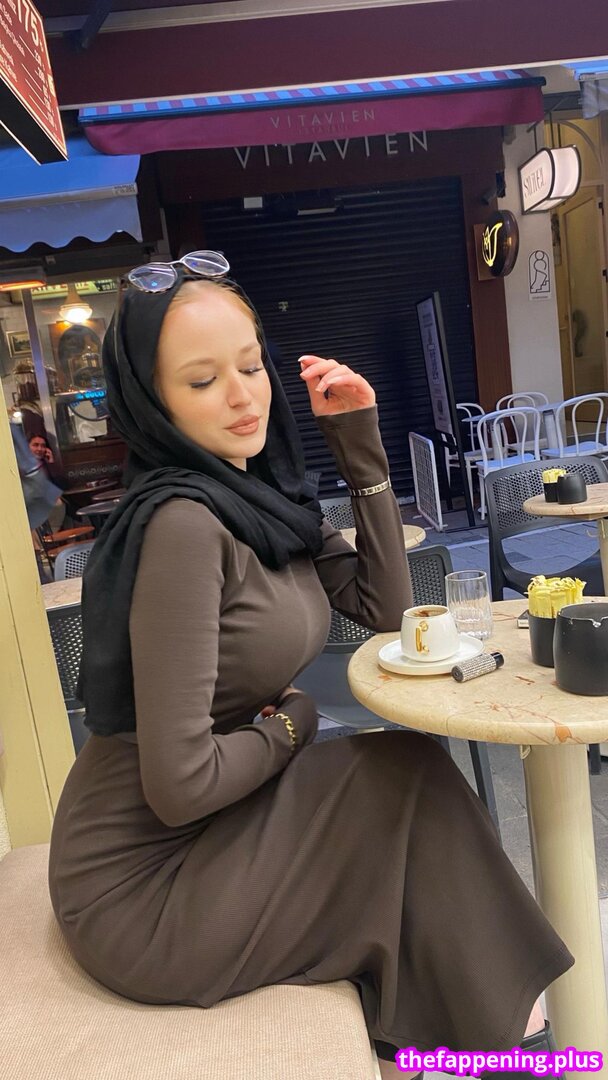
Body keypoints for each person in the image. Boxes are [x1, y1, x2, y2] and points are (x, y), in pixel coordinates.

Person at [48, 253, 573, 1080]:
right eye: (202, 380)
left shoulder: (258, 499)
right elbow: (179, 785)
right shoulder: (184, 526)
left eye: (251, 365)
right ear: (152, 401)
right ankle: (512, 1039)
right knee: (393, 785)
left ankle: (496, 1032)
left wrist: (360, 449)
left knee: (406, 767)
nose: (243, 396)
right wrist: (294, 724)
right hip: (146, 883)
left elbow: (387, 606)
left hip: (223, 819)